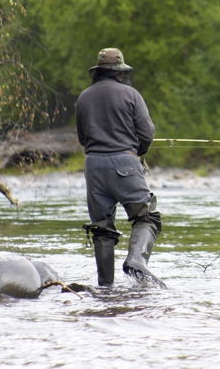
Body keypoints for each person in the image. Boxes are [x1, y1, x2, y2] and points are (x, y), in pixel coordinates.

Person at [75, 47, 164, 287]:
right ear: (120, 72)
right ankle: (136, 260)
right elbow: (147, 133)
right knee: (147, 217)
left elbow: (83, 138)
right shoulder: (131, 94)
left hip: (93, 166)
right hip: (125, 163)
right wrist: (138, 154)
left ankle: (106, 288)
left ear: (98, 72)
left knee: (102, 229)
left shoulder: (83, 97)